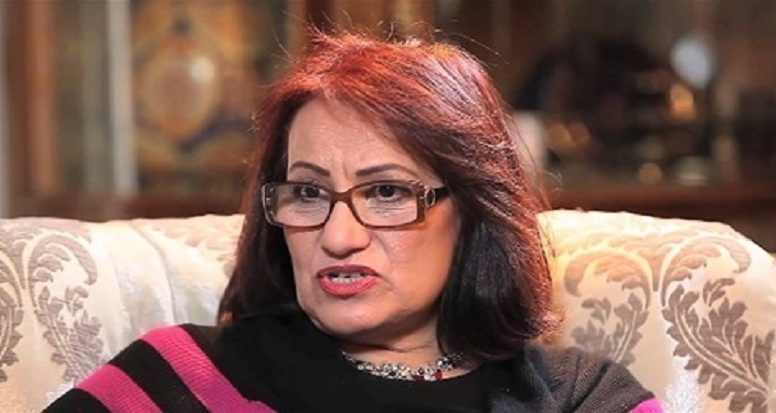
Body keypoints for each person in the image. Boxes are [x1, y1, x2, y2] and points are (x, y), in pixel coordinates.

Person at [46, 30, 662, 413]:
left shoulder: (584, 400)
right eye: (308, 193)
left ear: (473, 209)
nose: (338, 238)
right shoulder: (177, 381)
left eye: (387, 192)